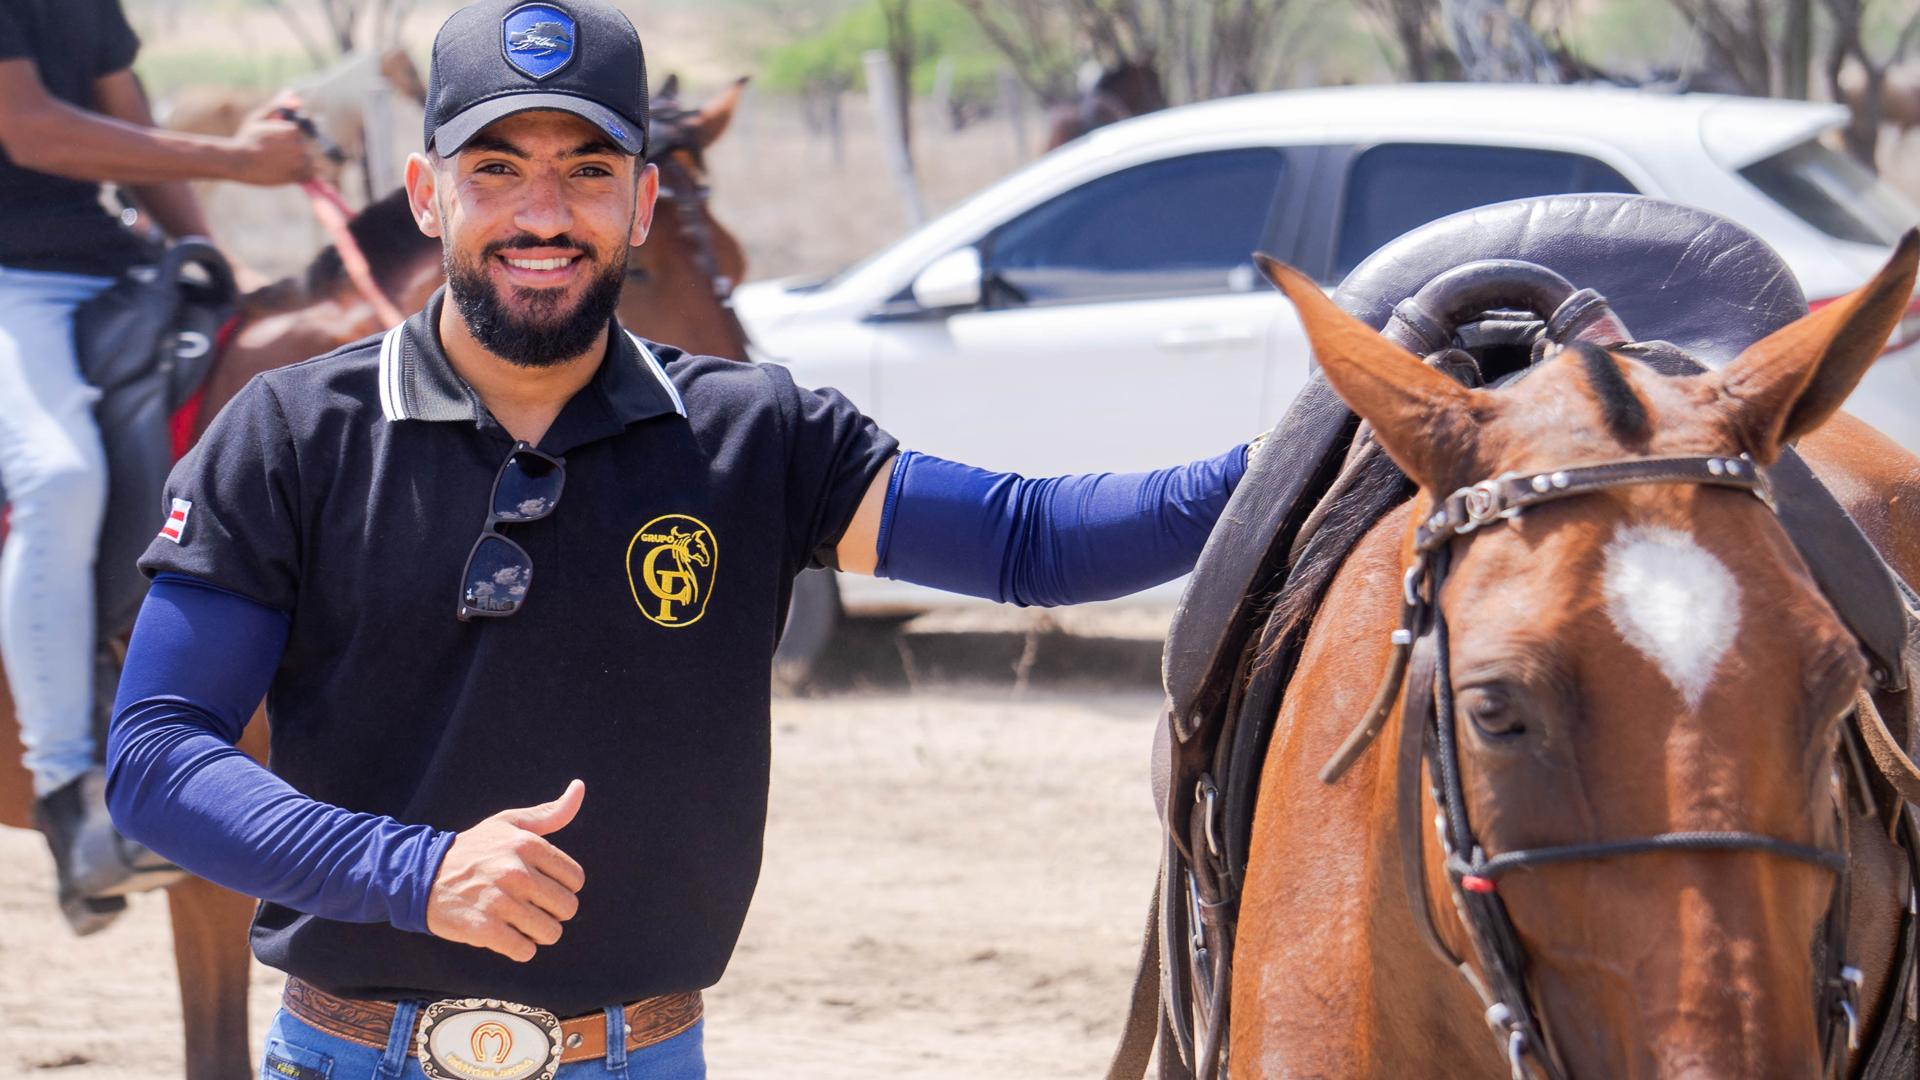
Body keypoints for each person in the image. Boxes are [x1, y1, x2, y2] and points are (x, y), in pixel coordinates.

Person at [106, 2, 1257, 1076]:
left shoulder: (754, 437)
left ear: (645, 201)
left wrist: (1299, 456)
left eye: (588, 170)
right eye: (495, 168)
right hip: (352, 1056)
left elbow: (1032, 542)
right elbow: (158, 755)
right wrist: (416, 872)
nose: (543, 213)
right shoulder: (291, 434)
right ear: (425, 194)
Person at [0, 0, 317, 921]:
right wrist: (240, 162)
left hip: (119, 270)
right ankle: (69, 791)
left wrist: (215, 261)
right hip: (11, 285)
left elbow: (128, 132)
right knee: (58, 476)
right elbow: (30, 128)